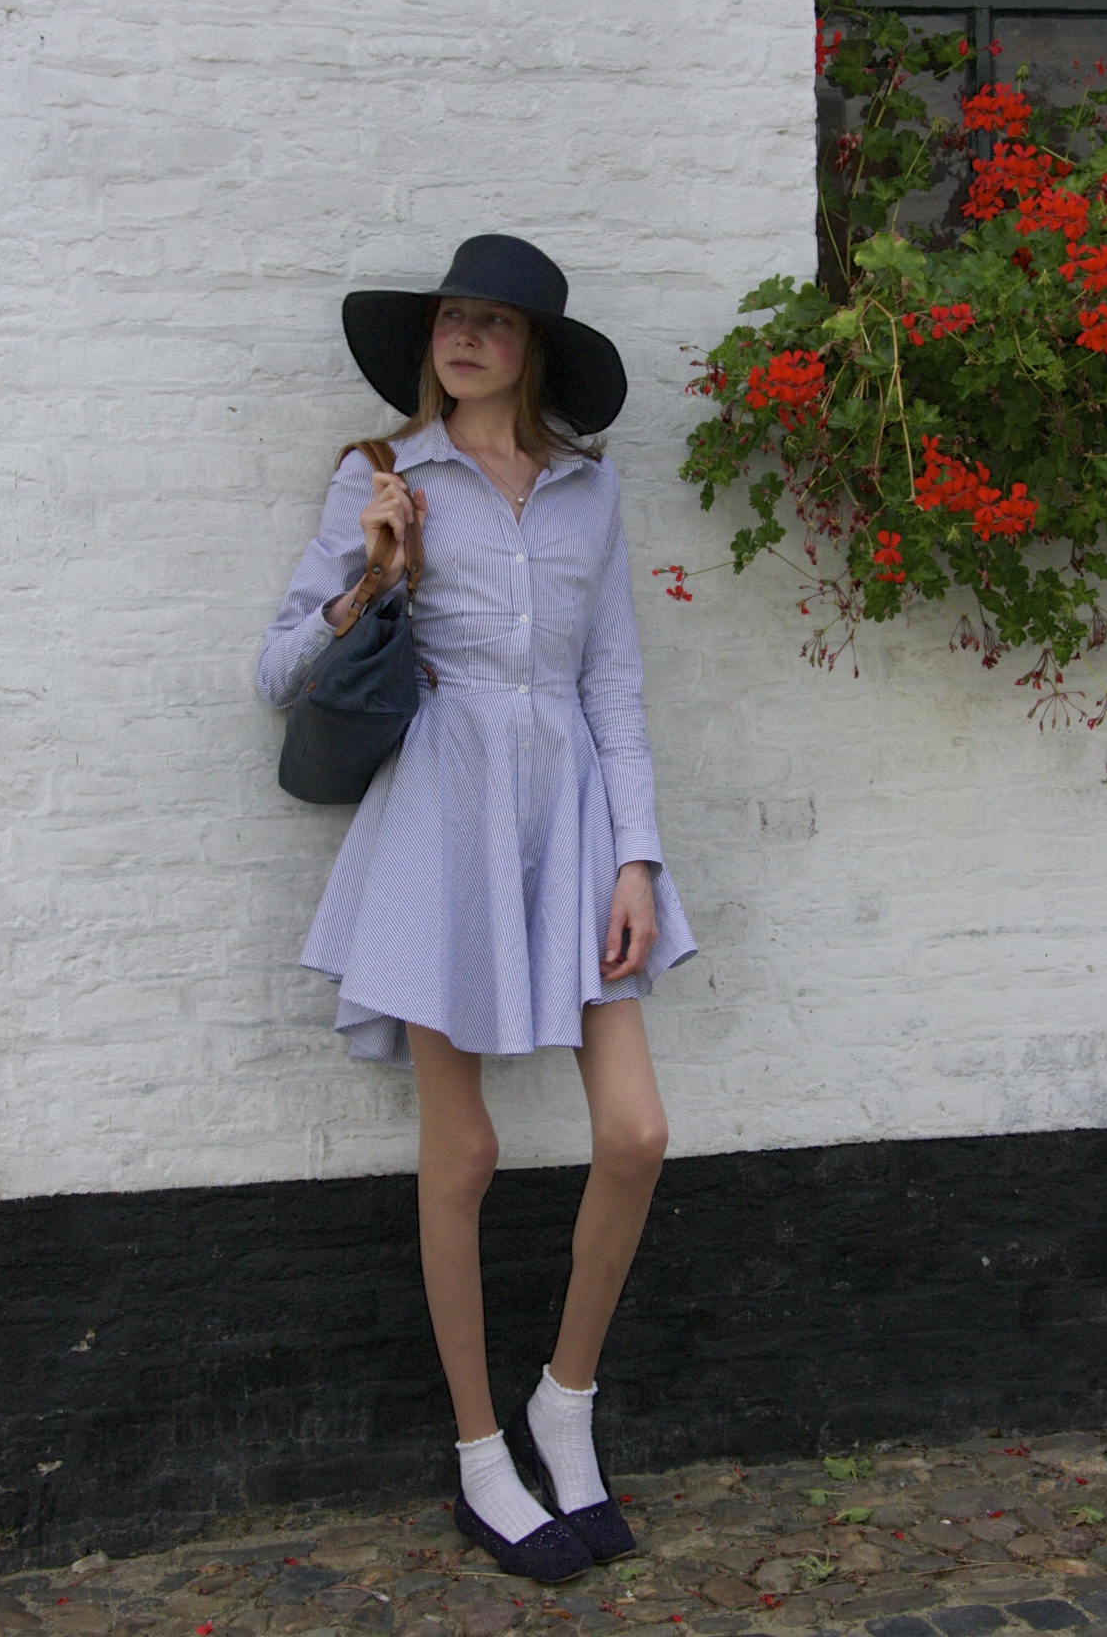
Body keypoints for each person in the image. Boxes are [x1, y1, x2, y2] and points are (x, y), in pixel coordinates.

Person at [258, 234, 695, 1582]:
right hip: (444, 820)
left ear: (532, 350)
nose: (463, 338)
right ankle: (478, 1456)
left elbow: (612, 678)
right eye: (450, 317)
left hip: (571, 817)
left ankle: (565, 1404)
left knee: (635, 1133)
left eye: (492, 322)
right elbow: (277, 670)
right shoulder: (383, 476)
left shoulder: (588, 491)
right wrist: (375, 572)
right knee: (463, 1155)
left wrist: (636, 860)